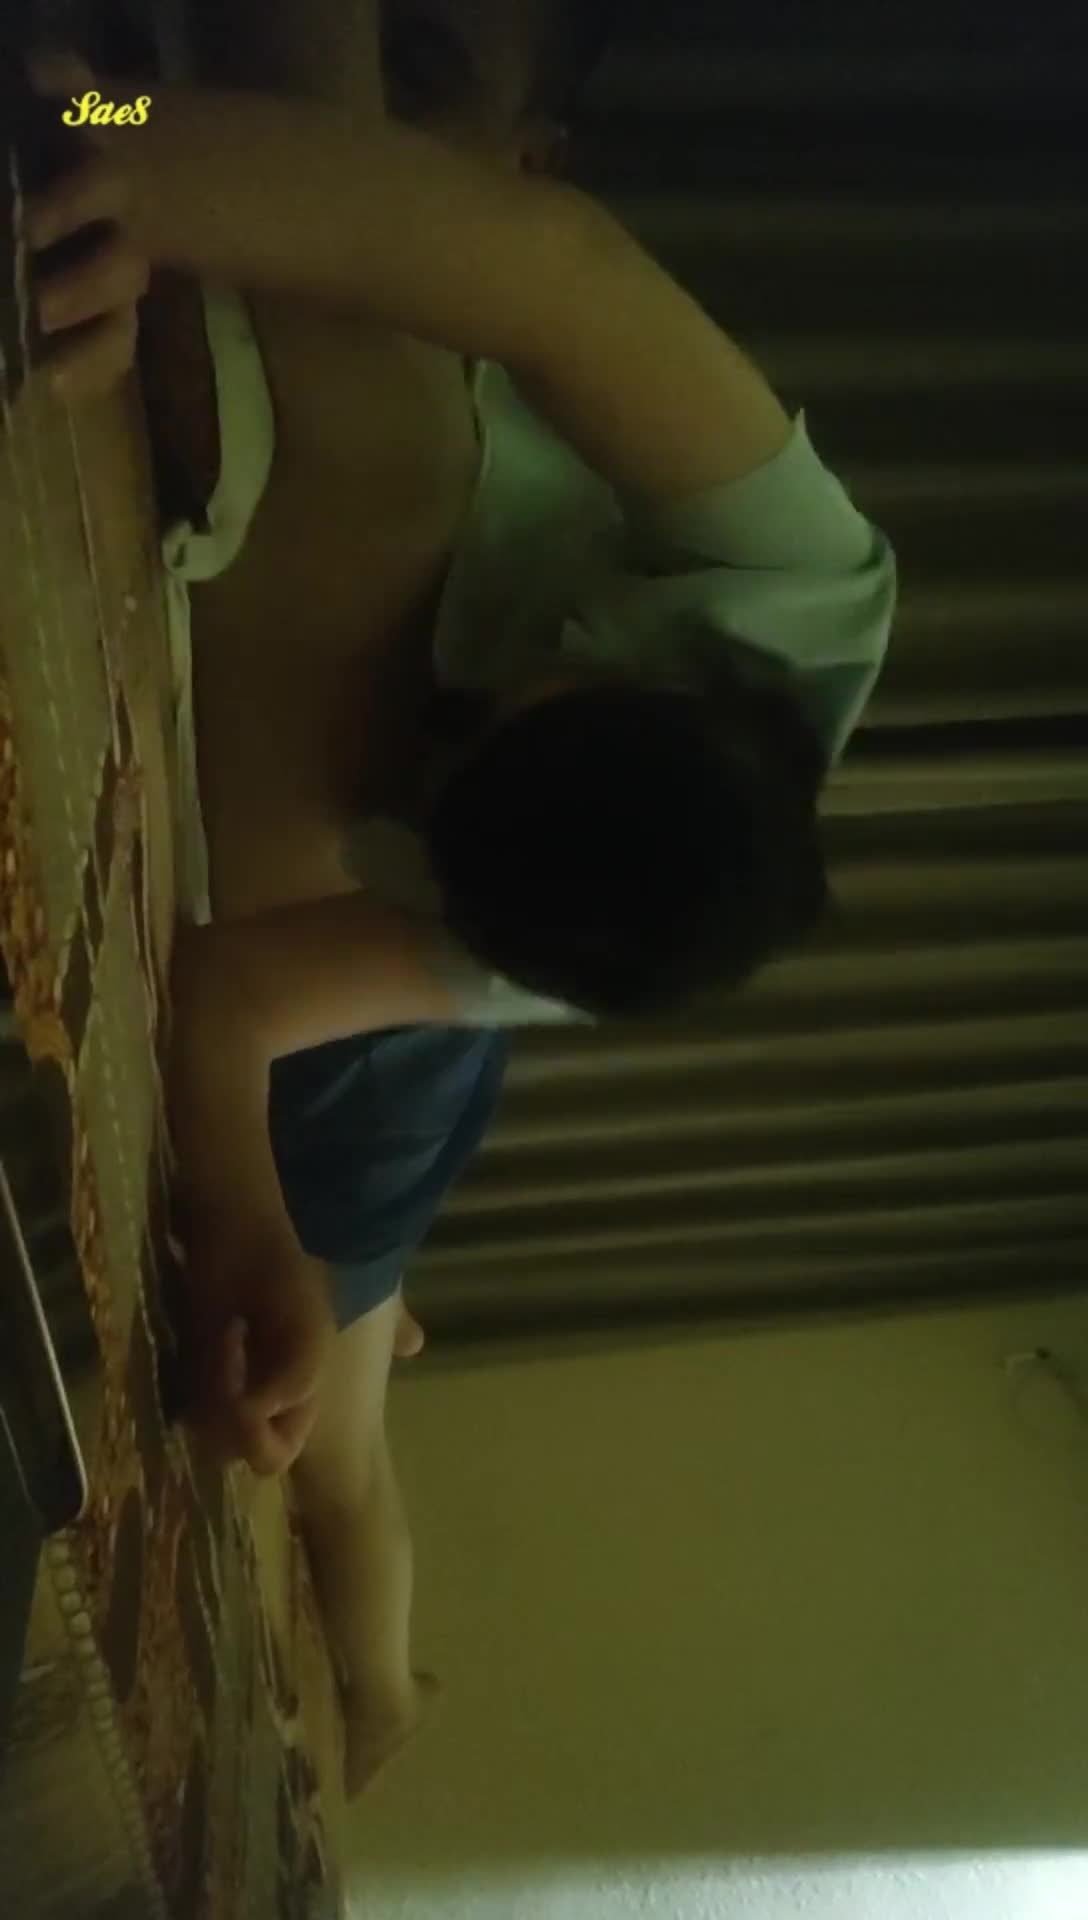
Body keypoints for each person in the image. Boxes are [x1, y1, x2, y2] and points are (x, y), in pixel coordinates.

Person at [24, 0, 896, 1791]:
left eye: (444, 765)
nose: (444, 713)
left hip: (396, 1036)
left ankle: (383, 1690)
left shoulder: (527, 942)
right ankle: (385, 1358)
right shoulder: (791, 580)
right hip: (404, 1009)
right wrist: (126, 144)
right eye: (492, 721)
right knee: (355, 1374)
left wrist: (257, 1225)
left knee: (338, 1454)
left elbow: (243, 990)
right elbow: (547, 268)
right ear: (649, 673)